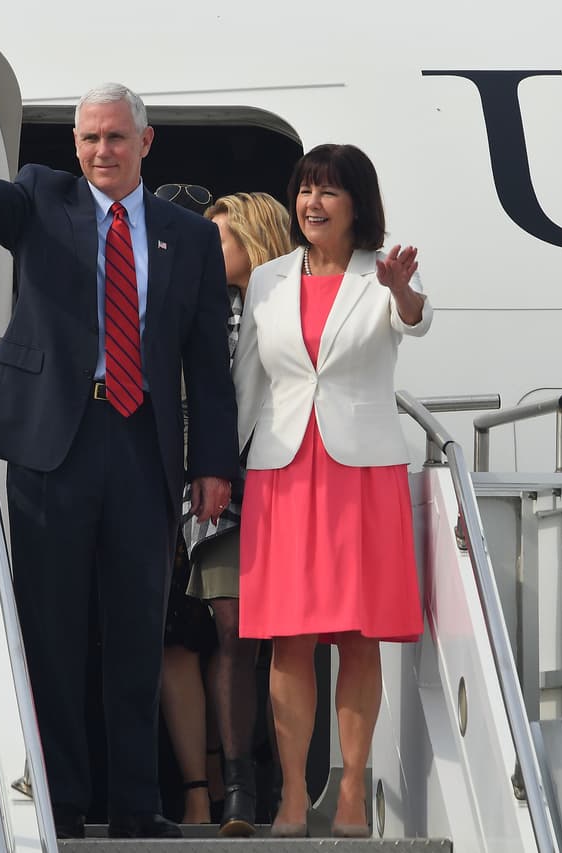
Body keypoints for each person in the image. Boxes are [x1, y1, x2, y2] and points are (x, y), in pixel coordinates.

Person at [0, 59, 239, 840]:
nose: (101, 151)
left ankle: (137, 804)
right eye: (88, 138)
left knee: (140, 629)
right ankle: (63, 796)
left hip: (142, 445)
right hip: (52, 443)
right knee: (53, 627)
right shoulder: (43, 196)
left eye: (114, 137)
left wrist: (213, 463)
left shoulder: (189, 238)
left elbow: (208, 361)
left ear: (146, 140)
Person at [230, 144, 432, 838]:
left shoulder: (380, 276)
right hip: (282, 469)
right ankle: (292, 795)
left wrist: (401, 289)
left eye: (329, 193)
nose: (313, 204)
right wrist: (218, 467)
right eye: (305, 190)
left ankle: (350, 792)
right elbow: (248, 382)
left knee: (356, 636)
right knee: (287, 639)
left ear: (357, 205)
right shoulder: (267, 281)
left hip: (358, 470)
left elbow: (415, 320)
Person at [182, 192, 292, 837]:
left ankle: (289, 785)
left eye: (218, 238)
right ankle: (240, 791)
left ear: (254, 239)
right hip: (219, 490)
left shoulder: (293, 305)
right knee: (233, 631)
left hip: (292, 483)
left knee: (291, 638)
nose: (204, 249)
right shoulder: (203, 309)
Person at [151, 181, 222, 827]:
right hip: (156, 485)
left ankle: (226, 785)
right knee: (172, 640)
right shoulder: (135, 280)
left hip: (217, 489)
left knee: (224, 642)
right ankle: (198, 789)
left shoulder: (236, 306)